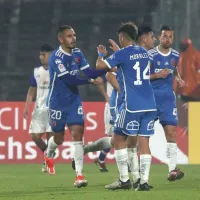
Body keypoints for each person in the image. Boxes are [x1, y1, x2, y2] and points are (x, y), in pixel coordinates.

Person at [83, 26, 156, 189]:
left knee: (117, 140)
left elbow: (100, 67)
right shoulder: (145, 52)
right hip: (150, 105)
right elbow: (130, 64)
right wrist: (118, 52)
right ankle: (143, 182)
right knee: (143, 143)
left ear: (122, 37)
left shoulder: (122, 54)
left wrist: (102, 55)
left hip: (132, 105)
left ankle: (124, 180)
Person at [45, 25, 104, 188]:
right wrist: (90, 81)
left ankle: (79, 175)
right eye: (69, 36)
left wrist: (106, 65)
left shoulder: (78, 54)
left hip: (73, 101)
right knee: (59, 138)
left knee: (77, 135)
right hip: (57, 102)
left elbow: (90, 72)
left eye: (74, 35)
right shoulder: (56, 57)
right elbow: (70, 80)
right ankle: (49, 153)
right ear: (61, 39)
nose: (73, 38)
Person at [149, 26, 185, 181]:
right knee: (142, 136)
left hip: (168, 100)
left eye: (170, 37)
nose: (168, 39)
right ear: (159, 37)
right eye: (165, 36)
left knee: (171, 133)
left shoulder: (176, 55)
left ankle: (172, 170)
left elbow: (174, 69)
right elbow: (141, 77)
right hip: (150, 99)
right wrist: (157, 75)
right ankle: (137, 170)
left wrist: (178, 78)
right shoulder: (150, 55)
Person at [23, 44, 54, 172]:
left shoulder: (57, 71)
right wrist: (26, 106)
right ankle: (48, 154)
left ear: (50, 55)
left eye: (44, 54)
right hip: (39, 109)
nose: (41, 57)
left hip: (52, 109)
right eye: (40, 54)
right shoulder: (37, 71)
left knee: (50, 137)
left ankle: (48, 163)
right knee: (35, 137)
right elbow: (32, 90)